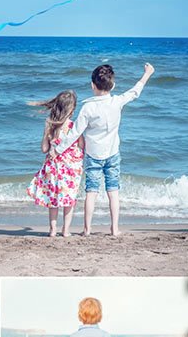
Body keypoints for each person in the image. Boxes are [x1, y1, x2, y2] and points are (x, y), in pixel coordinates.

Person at [53, 62, 155, 236]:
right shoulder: (117, 101)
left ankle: (87, 229)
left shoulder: (88, 107)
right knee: (113, 191)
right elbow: (135, 92)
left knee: (91, 192)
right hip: (113, 153)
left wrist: (58, 150)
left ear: (92, 85)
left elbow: (75, 133)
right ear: (113, 85)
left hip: (93, 155)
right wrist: (147, 74)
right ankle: (114, 229)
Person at [26, 91, 84, 239]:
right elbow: (82, 145)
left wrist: (47, 134)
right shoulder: (74, 127)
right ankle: (65, 230)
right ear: (72, 109)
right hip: (71, 170)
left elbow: (44, 149)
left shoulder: (50, 125)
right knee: (68, 200)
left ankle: (52, 230)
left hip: (53, 169)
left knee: (53, 200)